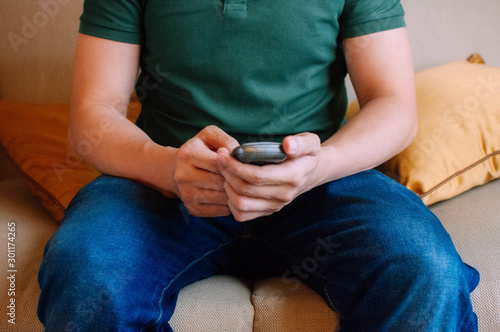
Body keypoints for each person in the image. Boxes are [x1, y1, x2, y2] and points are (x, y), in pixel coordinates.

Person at [37, 0, 479, 331]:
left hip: (321, 182)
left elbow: (394, 106)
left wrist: (320, 165)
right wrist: (167, 168)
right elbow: (93, 115)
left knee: (425, 269)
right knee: (85, 275)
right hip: (162, 184)